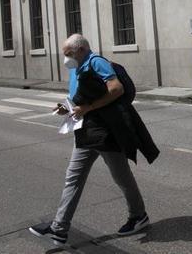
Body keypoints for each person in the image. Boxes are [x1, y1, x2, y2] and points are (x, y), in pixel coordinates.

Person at [29, 34, 157, 246]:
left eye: (68, 53)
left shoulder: (96, 62)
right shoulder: (75, 68)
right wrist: (66, 108)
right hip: (86, 131)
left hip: (105, 131)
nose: (65, 58)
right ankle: (59, 228)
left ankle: (138, 215)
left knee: (121, 177)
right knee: (73, 177)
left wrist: (87, 108)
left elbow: (117, 89)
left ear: (80, 49)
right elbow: (78, 96)